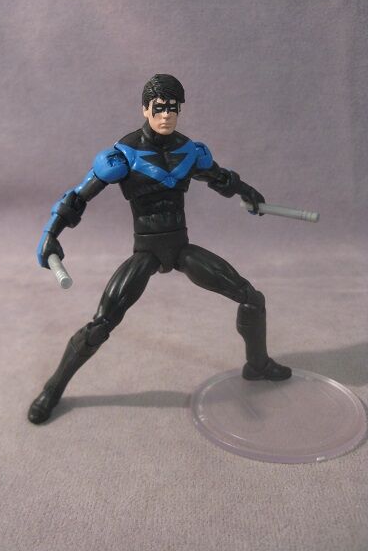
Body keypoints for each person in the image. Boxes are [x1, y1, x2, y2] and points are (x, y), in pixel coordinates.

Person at [28, 74, 291, 425]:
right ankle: (53, 388)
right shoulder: (122, 155)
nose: (166, 115)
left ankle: (257, 365)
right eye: (159, 108)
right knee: (101, 324)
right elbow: (77, 198)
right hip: (147, 252)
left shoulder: (190, 151)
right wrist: (51, 233)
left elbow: (219, 178)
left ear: (180, 109)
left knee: (252, 298)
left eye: (172, 108)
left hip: (180, 247)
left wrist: (248, 192)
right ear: (145, 109)